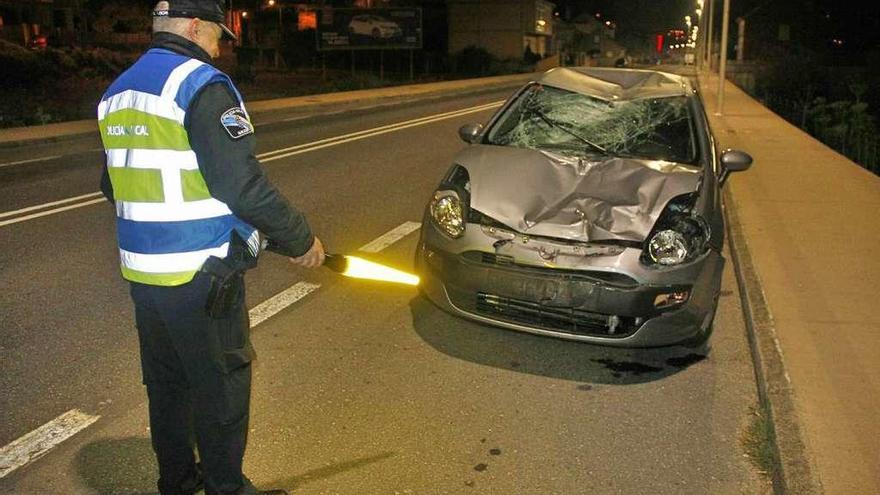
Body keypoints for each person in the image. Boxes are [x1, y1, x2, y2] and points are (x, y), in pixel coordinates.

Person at [97, 1, 324, 494]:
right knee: (221, 387)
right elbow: (242, 186)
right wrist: (300, 238)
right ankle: (227, 489)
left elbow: (112, 184)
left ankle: (177, 483)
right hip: (200, 273)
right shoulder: (200, 85)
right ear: (195, 27)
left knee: (167, 386)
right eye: (219, 35)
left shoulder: (118, 92)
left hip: (144, 275)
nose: (221, 47)